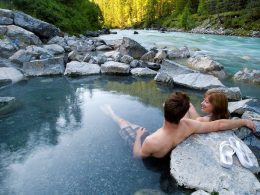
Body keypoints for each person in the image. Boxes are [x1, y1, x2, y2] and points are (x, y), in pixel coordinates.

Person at [101, 92, 256, 159]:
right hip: (166, 144)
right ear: (183, 114)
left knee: (123, 123)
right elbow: (219, 124)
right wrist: (243, 121)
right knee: (132, 124)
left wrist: (139, 137)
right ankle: (114, 115)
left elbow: (137, 155)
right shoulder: (189, 125)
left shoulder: (152, 140)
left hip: (149, 146)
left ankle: (111, 113)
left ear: (164, 110)